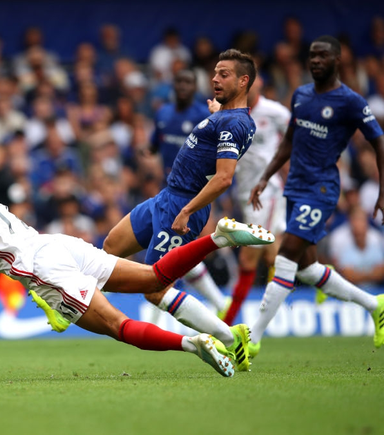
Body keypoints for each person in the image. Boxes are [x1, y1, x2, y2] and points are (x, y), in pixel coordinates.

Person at [0, 165, 275, 377]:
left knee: (120, 327)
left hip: (46, 269)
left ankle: (194, 344)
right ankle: (220, 239)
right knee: (155, 278)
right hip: (58, 246)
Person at [103, 49, 257, 369]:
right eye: (215, 72)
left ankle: (230, 338)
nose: (215, 78)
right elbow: (221, 128)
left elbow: (225, 177)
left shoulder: (236, 123)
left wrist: (187, 210)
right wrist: (217, 111)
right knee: (111, 246)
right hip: (166, 196)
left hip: (181, 204)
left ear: (244, 81)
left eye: (224, 74)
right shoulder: (225, 116)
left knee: (155, 289)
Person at [247, 36, 384, 357]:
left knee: (285, 255)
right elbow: (289, 141)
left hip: (321, 190)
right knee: (307, 269)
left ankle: (251, 337)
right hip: (294, 187)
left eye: (322, 56)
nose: (315, 61)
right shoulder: (301, 95)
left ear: (337, 61)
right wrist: (265, 176)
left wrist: (382, 190)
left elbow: (379, 141)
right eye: (312, 55)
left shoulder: (350, 101)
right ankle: (374, 304)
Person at [146, 69, 229, 315]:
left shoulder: (204, 115)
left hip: (193, 194)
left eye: (188, 82)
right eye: (179, 82)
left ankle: (152, 322)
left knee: (165, 257)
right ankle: (220, 303)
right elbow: (154, 145)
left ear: (195, 87)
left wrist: (210, 200)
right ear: (173, 85)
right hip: (168, 190)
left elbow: (222, 158)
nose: (183, 86)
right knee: (177, 253)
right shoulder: (163, 113)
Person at [221, 76, 290, 325]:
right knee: (275, 258)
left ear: (259, 84)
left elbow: (295, 139)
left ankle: (226, 320)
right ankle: (319, 274)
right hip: (244, 193)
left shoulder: (275, 113)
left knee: (249, 258)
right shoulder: (231, 112)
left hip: (267, 192)